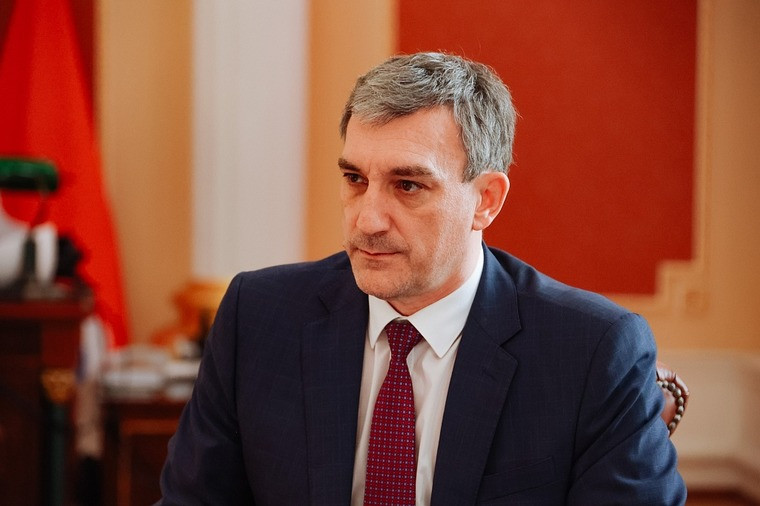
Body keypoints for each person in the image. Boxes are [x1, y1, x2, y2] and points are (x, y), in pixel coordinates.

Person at [158, 52, 686, 505]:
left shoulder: (591, 351)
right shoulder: (258, 317)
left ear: (486, 200)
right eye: (355, 179)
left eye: (407, 185)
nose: (367, 220)